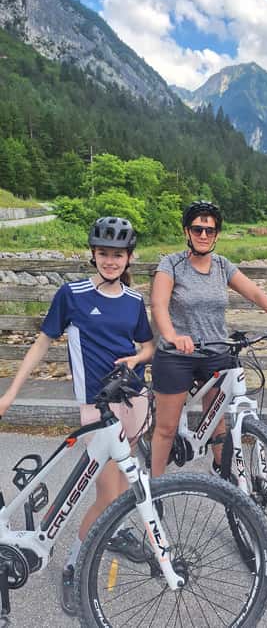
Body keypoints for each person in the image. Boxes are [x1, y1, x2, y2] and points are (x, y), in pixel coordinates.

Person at [0, 217, 154, 614]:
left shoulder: (134, 300)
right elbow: (41, 344)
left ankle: (114, 532)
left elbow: (148, 346)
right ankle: (73, 566)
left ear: (129, 257)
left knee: (124, 486)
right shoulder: (73, 295)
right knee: (106, 495)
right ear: (93, 255)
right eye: (103, 253)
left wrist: (137, 358)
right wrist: (11, 393)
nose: (110, 261)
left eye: (117, 255)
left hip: (134, 401)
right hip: (97, 408)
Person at [150, 200, 267, 477]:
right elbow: (159, 305)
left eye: (209, 230)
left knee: (217, 419)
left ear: (217, 234)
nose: (203, 235)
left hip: (216, 351)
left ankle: (224, 473)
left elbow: (255, 293)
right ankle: (154, 486)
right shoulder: (171, 264)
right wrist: (172, 336)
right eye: (197, 229)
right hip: (177, 354)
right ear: (187, 231)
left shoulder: (222, 266)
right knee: (166, 428)